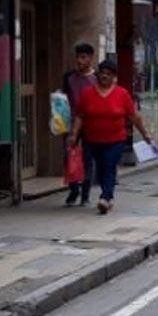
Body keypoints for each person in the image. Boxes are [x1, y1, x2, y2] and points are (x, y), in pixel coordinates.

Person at [69, 59, 154, 215]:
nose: (104, 76)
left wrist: (145, 133)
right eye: (102, 73)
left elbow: (134, 116)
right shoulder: (87, 93)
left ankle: (104, 197)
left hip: (116, 139)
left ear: (114, 76)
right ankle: (109, 197)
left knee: (109, 165)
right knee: (101, 170)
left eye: (108, 74)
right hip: (93, 139)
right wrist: (74, 134)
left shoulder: (122, 94)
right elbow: (80, 116)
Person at [62, 43, 98, 207]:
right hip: (71, 122)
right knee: (69, 156)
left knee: (88, 157)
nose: (79, 60)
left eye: (83, 57)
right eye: (78, 57)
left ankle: (85, 193)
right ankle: (73, 189)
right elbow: (64, 96)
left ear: (91, 58)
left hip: (91, 124)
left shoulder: (96, 78)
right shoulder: (69, 77)